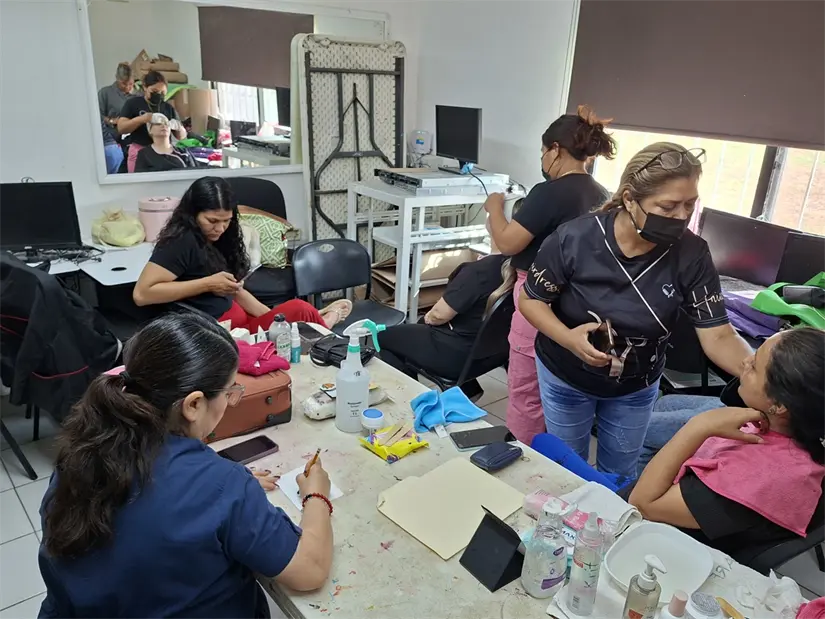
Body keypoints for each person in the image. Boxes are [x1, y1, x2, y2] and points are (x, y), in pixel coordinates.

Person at [38, 313, 334, 617]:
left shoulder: (81, 450)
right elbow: (309, 570)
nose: (232, 400)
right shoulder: (223, 486)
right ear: (193, 405)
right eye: (230, 391)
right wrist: (316, 496)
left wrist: (219, 488)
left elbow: (152, 509)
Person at [520, 142, 753, 478]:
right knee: (567, 471)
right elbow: (531, 300)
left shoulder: (692, 254)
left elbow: (718, 334)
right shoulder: (575, 238)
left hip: (635, 386)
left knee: (622, 473)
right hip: (566, 374)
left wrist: (755, 373)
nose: (682, 216)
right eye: (668, 206)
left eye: (690, 204)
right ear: (629, 199)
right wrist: (569, 339)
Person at [629, 328, 825, 558]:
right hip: (675, 492)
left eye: (754, 366)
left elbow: (642, 503)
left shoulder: (757, 482)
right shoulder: (788, 426)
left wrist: (698, 427)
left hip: (654, 530)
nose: (744, 361)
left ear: (779, 405)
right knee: (666, 405)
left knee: (637, 433)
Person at [484, 105, 616, 445]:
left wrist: (494, 208)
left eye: (544, 151)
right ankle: (557, 462)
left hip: (539, 300)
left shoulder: (549, 192)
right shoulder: (602, 195)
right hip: (580, 304)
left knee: (527, 391)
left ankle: (524, 460)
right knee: (559, 392)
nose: (543, 159)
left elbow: (507, 243)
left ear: (555, 149)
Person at [133, 176, 350, 332]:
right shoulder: (182, 241)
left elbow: (235, 291)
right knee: (302, 312)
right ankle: (325, 322)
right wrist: (207, 284)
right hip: (218, 334)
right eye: (212, 221)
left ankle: (316, 323)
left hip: (240, 320)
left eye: (226, 220)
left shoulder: (222, 237)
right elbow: (142, 295)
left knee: (296, 314)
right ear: (192, 214)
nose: (220, 228)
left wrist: (274, 318)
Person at [378, 253, 516, 381]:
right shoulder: (524, 268)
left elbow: (437, 316)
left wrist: (430, 317)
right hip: (494, 355)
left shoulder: (481, 271)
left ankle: (412, 396)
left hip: (458, 359)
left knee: (383, 337)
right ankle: (468, 390)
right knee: (416, 328)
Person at [117, 71, 185, 173]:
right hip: (140, 149)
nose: (158, 95)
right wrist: (142, 119)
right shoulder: (133, 103)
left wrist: (178, 127)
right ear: (145, 87)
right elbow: (121, 128)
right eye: (154, 91)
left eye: (162, 93)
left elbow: (181, 136)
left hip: (163, 152)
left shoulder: (167, 108)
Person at [98, 62, 135, 174]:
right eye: (124, 84)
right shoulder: (105, 93)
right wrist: (112, 121)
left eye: (131, 84)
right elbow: (96, 115)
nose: (128, 87)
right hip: (111, 137)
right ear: (117, 79)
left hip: (131, 136)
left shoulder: (137, 95)